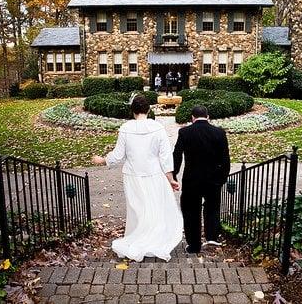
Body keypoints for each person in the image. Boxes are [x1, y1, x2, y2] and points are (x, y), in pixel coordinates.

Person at [92, 95, 183, 262]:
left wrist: (103, 160)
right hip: (154, 174)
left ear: (132, 111)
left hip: (133, 175)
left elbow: (119, 155)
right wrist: (170, 179)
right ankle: (154, 240)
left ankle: (138, 237)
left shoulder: (126, 128)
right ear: (148, 110)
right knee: (154, 206)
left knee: (137, 208)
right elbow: (165, 157)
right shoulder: (158, 127)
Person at [173, 105, 230, 254]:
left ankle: (194, 245)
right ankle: (211, 236)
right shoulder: (219, 133)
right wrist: (222, 178)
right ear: (208, 116)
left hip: (192, 179)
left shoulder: (185, 132)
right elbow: (225, 159)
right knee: (212, 207)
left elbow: (177, 155)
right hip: (213, 179)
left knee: (191, 211)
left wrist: (173, 175)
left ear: (192, 118)